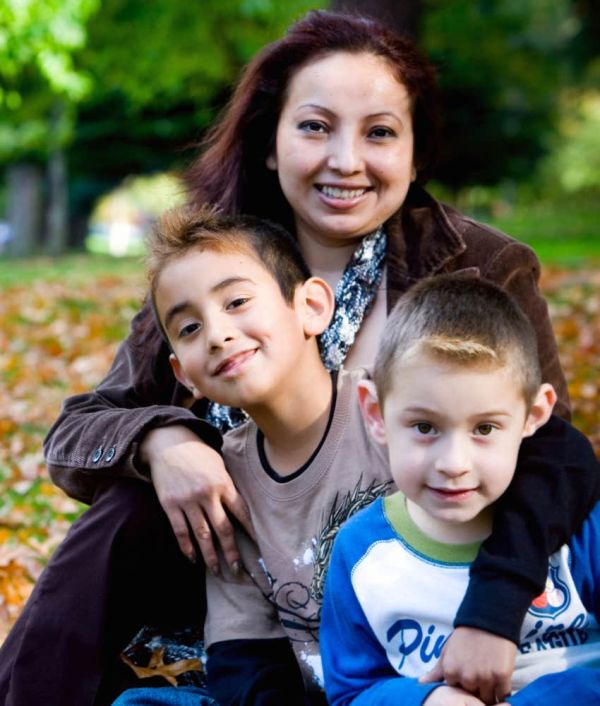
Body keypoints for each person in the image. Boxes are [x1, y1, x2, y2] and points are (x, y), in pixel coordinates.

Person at [0, 10, 598, 706]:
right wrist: (164, 441)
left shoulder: (481, 266)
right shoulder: (220, 270)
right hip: (241, 590)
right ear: (271, 144)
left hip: (432, 586)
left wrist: (491, 615)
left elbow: (550, 454)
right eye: (315, 127)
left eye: (379, 133)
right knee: (127, 507)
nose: (345, 160)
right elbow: (82, 428)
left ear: (414, 154)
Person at [113, 204, 390, 706]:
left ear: (311, 307)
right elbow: (244, 655)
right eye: (190, 328)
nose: (217, 333)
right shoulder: (228, 478)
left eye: (237, 301)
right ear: (184, 374)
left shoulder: (388, 416)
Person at [320, 276, 600, 706]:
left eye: (485, 428)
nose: (453, 463)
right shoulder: (360, 553)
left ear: (534, 415)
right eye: (425, 427)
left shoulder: (582, 531)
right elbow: (353, 690)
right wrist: (429, 702)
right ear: (375, 413)